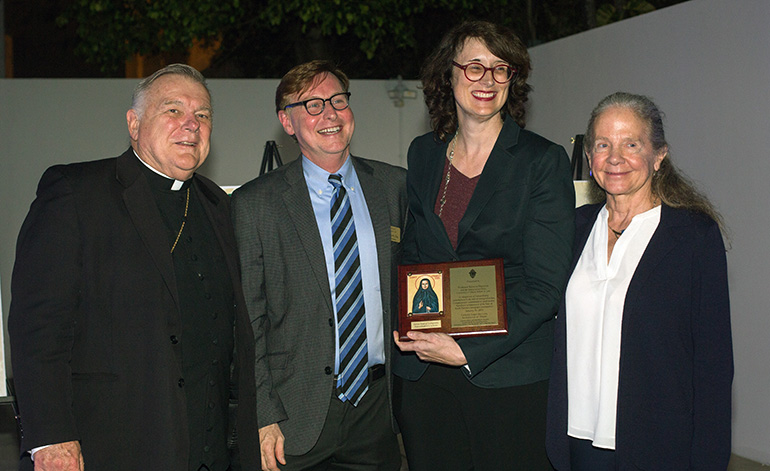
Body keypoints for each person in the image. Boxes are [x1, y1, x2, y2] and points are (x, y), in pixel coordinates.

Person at [8, 64, 259, 471]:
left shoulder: (219, 205)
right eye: (173, 111)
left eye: (203, 115)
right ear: (134, 123)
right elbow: (37, 328)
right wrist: (51, 439)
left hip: (210, 447)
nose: (191, 125)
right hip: (111, 445)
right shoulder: (76, 192)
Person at [392, 21, 575, 470]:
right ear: (448, 75)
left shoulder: (542, 161)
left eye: (500, 69)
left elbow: (546, 285)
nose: (487, 80)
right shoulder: (423, 153)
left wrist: (466, 351)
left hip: (508, 378)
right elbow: (414, 256)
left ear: (513, 80)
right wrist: (410, 324)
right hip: (425, 375)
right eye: (474, 67)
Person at [231, 60, 406, 471]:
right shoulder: (255, 205)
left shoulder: (395, 187)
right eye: (310, 105)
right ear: (286, 122)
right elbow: (247, 323)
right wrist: (262, 416)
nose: (329, 114)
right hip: (294, 417)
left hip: (377, 413)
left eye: (337, 100)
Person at [545, 92, 733, 470]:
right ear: (588, 157)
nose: (615, 158)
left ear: (659, 155)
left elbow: (713, 364)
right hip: (576, 442)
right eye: (603, 145)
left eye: (631, 144)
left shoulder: (693, 236)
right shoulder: (575, 228)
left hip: (658, 445)